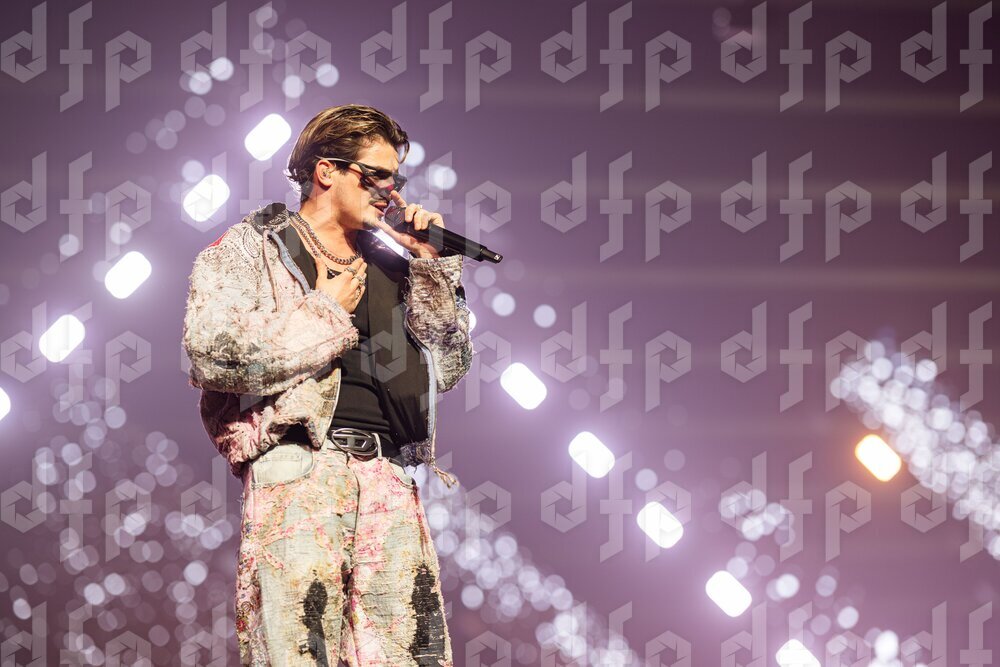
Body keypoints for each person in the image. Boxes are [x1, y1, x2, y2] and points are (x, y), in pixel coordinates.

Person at [182, 104, 473, 666]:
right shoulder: (254, 249)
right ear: (326, 171)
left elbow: (448, 369)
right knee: (300, 651)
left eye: (396, 179)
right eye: (377, 175)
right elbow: (210, 353)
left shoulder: (392, 265)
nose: (391, 192)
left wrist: (431, 271)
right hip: (300, 469)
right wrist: (322, 315)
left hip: (388, 477)